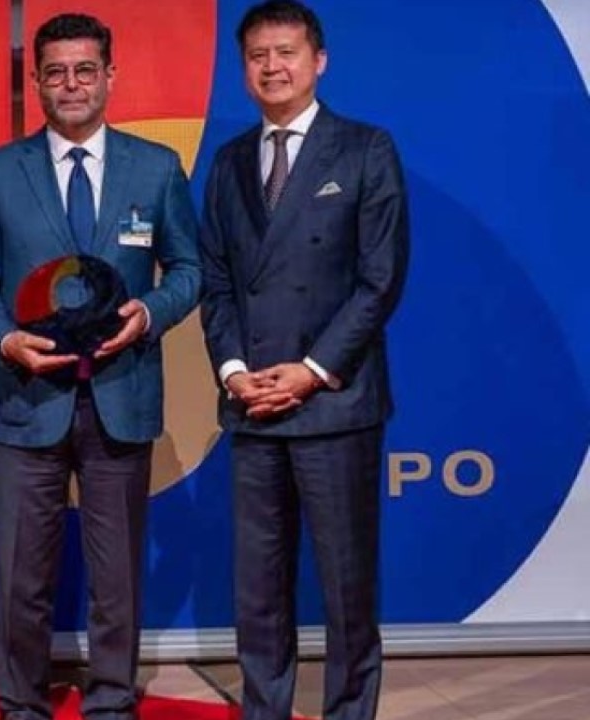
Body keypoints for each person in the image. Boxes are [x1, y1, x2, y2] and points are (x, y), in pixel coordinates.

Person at [0, 13, 200, 720]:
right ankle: (20, 704)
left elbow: (189, 268)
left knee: (117, 576)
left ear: (109, 77)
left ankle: (112, 702)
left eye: (85, 70)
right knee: (22, 574)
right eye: (56, 72)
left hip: (121, 397)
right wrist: (6, 339)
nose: (71, 84)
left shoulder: (156, 168)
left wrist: (150, 312)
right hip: (28, 397)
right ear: (36, 82)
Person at [198, 2, 410, 719]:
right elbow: (217, 282)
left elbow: (380, 280)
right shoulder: (229, 161)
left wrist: (312, 371)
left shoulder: (364, 149)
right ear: (243, 69)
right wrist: (233, 371)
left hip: (334, 404)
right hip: (253, 403)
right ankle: (265, 709)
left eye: (285, 52)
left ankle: (349, 710)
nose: (272, 67)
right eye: (257, 55)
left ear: (318, 60)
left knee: (348, 587)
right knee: (258, 589)